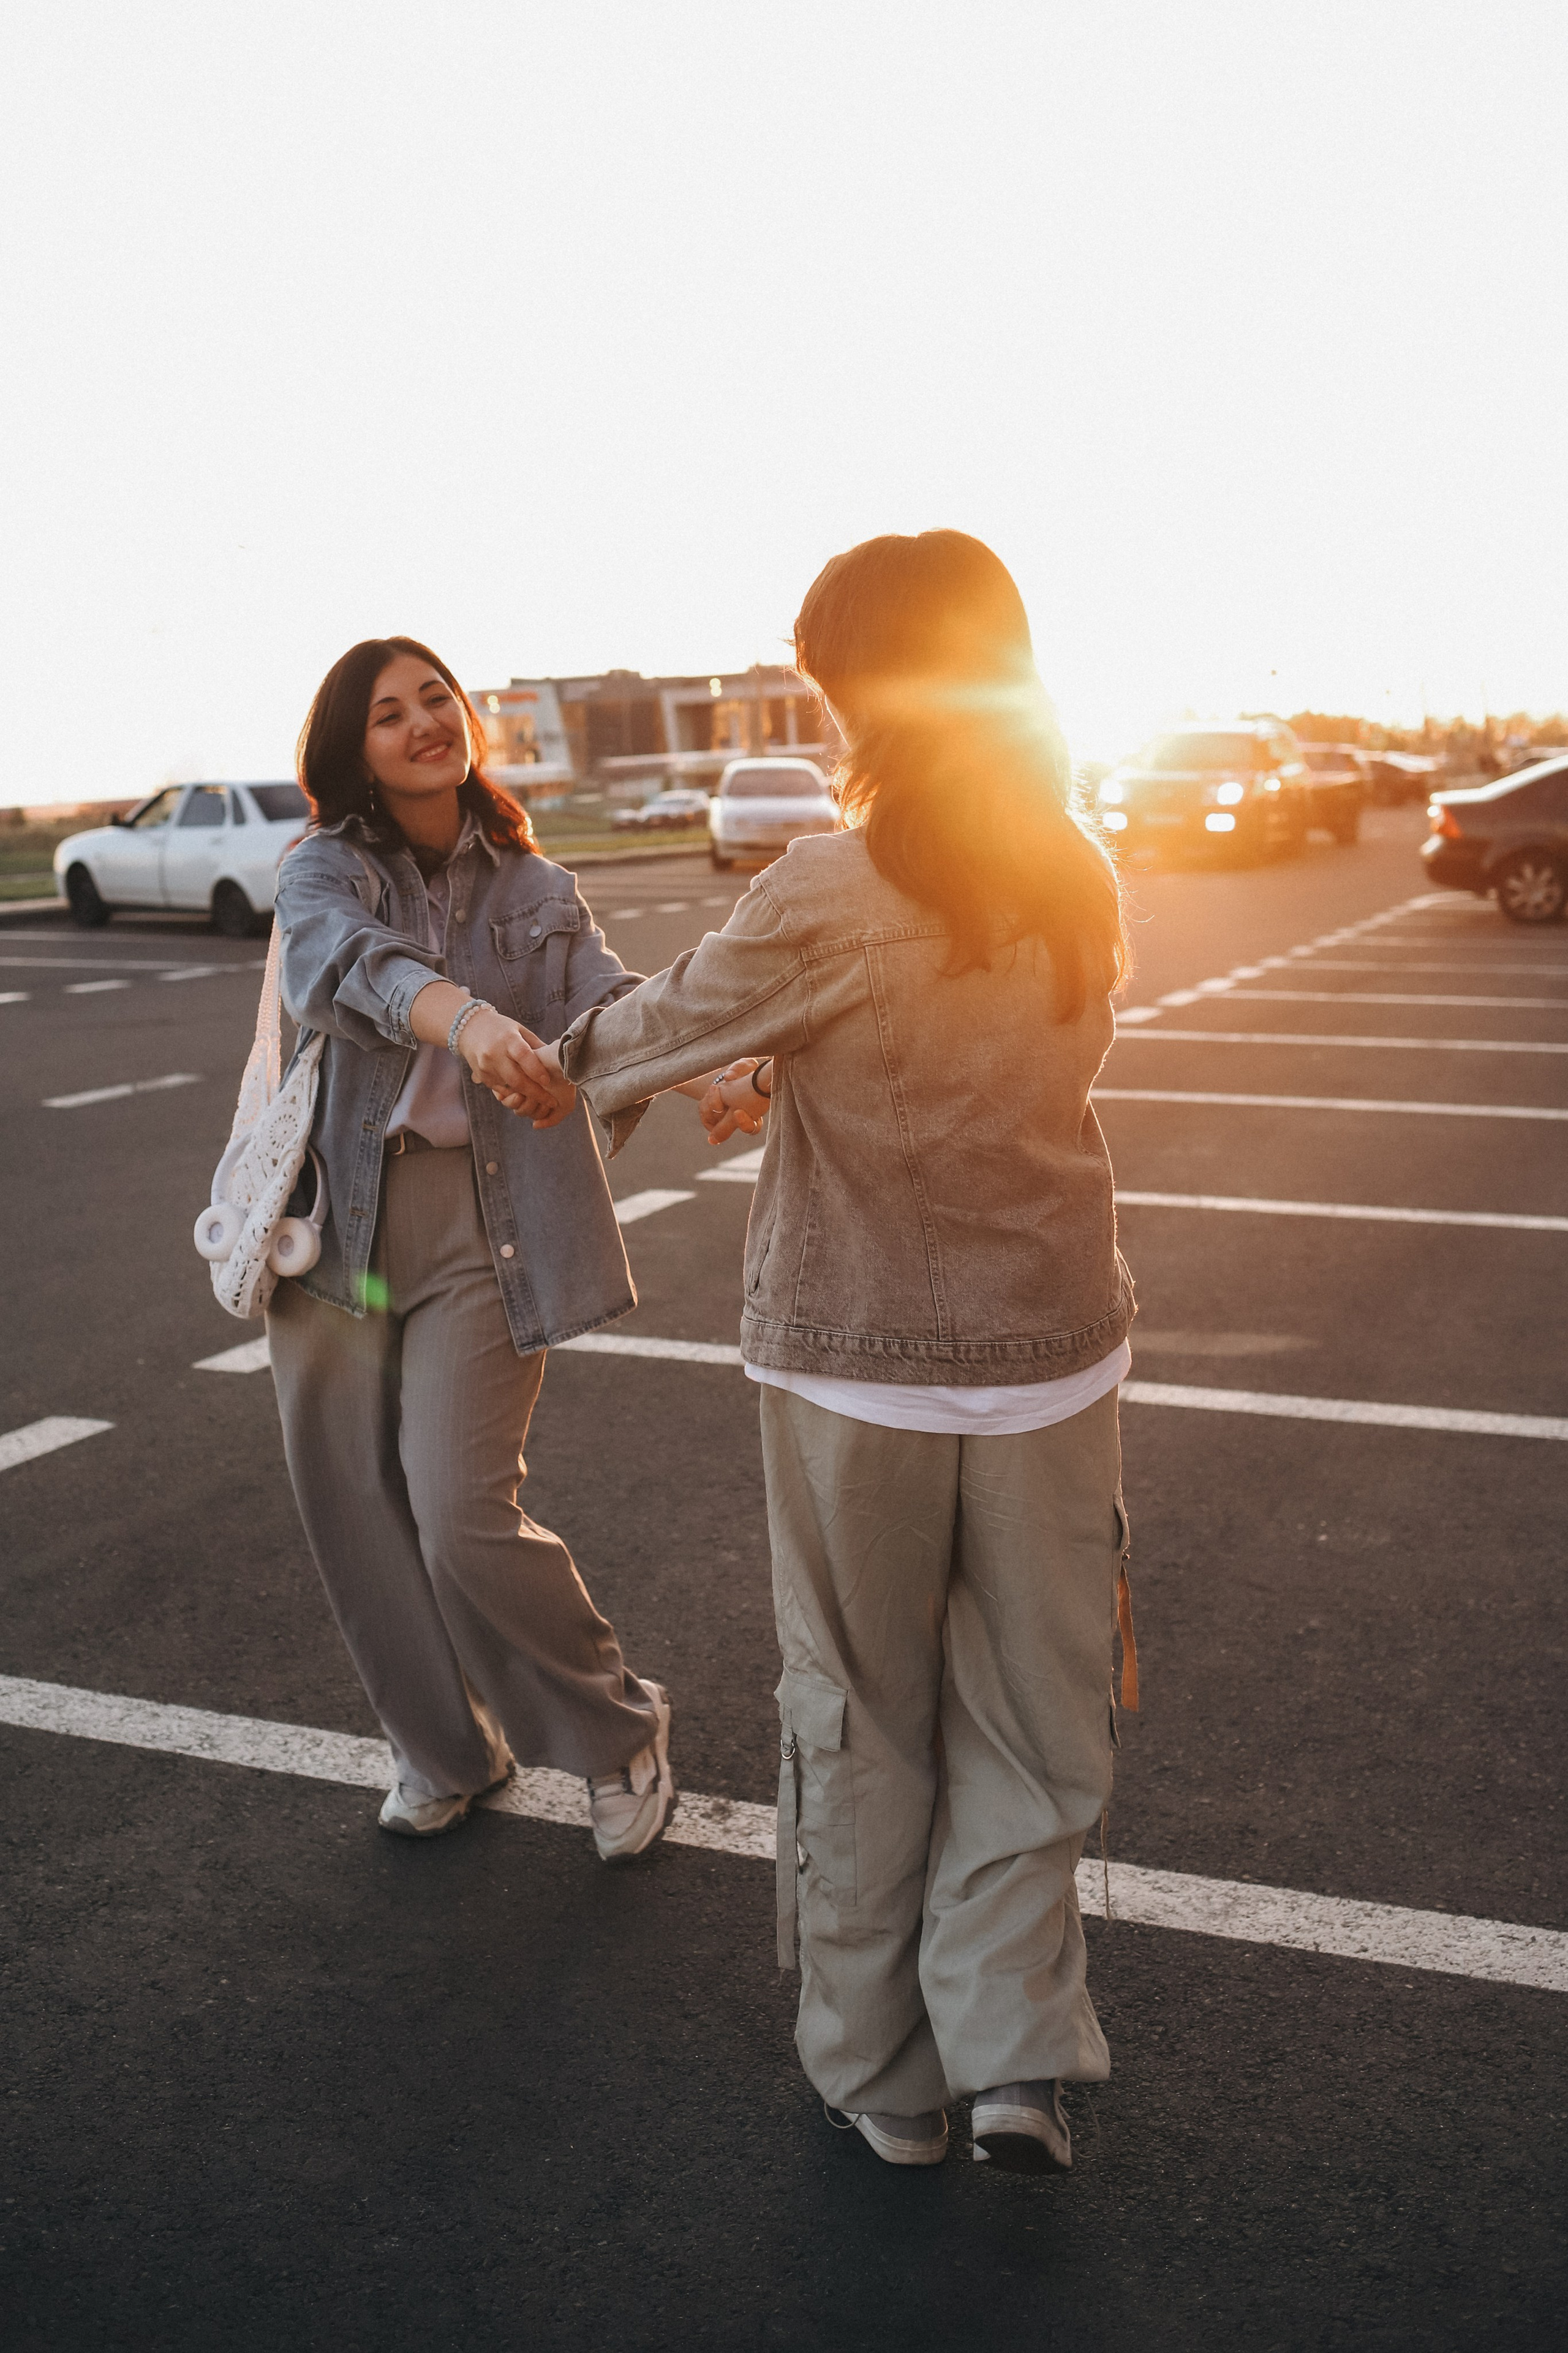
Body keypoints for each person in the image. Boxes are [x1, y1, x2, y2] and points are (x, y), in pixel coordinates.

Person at [522, 532, 1138, 2172]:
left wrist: (505, 1056)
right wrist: (804, 1078)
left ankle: (885, 2076)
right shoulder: (1075, 869)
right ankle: (1012, 2052)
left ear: (865, 686)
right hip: (1054, 1353)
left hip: (857, 1359)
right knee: (1033, 1713)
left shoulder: (824, 886)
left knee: (861, 1711)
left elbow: (640, 1038)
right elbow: (980, 1072)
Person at [266, 635, 748, 1860]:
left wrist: (715, 1075)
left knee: (458, 1507)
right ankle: (444, 1752)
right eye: (388, 713)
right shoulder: (325, 870)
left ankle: (614, 1729)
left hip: (492, 1230)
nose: (424, 721)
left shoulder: (534, 888)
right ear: (352, 750)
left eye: (437, 698)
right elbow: (346, 970)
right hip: (342, 1227)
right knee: (355, 1513)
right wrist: (470, 1022)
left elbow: (605, 1006)